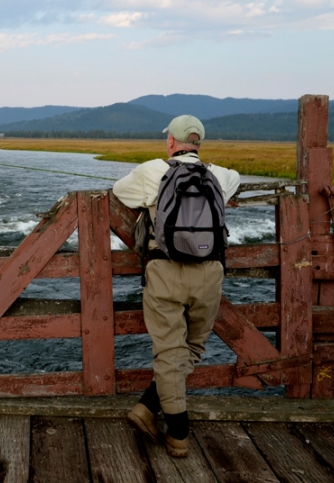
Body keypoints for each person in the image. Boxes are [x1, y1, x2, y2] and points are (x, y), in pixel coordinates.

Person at [112, 114, 240, 458]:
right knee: (192, 348)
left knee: (169, 352)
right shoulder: (220, 175)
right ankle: (146, 407)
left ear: (170, 141)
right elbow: (236, 179)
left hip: (165, 270)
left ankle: (178, 434)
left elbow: (119, 192)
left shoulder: (152, 171)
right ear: (199, 143)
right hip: (210, 272)